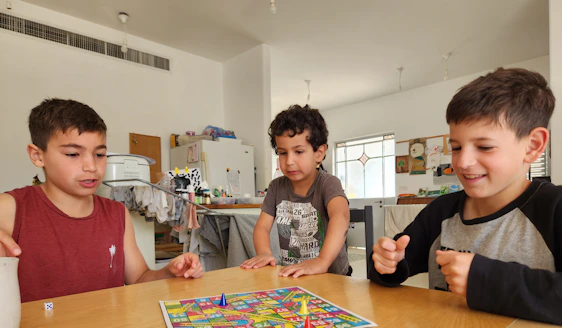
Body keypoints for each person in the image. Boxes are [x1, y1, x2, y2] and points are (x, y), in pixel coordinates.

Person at [371, 67, 562, 325]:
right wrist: (386, 262)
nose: (463, 162)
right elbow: (393, 263)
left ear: (533, 146)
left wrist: (485, 280)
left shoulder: (554, 209)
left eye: (484, 147)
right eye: (456, 147)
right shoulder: (441, 212)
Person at [0, 98, 203, 302]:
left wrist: (169, 272)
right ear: (37, 155)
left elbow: (139, 278)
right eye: (73, 154)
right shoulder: (11, 208)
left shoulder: (116, 213)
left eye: (99, 154)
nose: (91, 166)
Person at [241, 105, 350, 277]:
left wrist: (322, 261)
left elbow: (341, 217)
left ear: (319, 153)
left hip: (332, 276)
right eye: (283, 153)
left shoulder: (328, 183)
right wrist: (264, 253)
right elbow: (262, 227)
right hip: (294, 275)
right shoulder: (276, 187)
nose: (289, 161)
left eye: (298, 151)